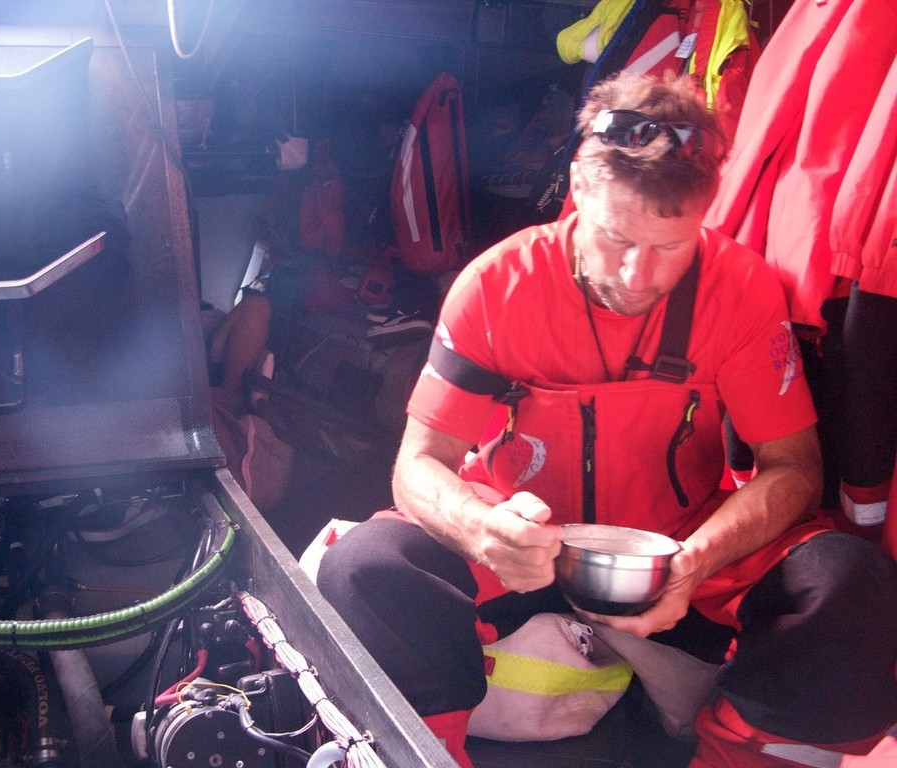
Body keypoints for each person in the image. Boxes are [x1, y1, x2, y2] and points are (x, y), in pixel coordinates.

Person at [316, 72, 897, 768]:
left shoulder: (740, 288)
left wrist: (695, 561)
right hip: (518, 548)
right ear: (578, 190)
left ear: (705, 213)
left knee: (848, 584)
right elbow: (419, 462)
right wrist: (482, 529)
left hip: (680, 557)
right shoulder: (496, 286)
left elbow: (793, 469)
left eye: (670, 247)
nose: (637, 274)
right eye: (616, 237)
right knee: (365, 568)